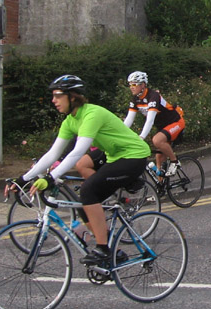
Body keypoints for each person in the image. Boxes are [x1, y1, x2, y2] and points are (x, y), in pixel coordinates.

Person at [11, 75, 151, 265]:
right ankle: (113, 249)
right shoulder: (70, 121)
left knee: (88, 190)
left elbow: (78, 151)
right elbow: (52, 154)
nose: (54, 100)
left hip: (134, 156)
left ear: (73, 96)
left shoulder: (91, 114)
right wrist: (23, 179)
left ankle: (103, 249)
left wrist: (52, 177)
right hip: (114, 155)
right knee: (83, 204)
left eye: (58, 95)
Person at [125, 71, 185, 176]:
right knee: (159, 160)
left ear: (143, 85)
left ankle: (175, 162)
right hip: (163, 127)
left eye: (134, 84)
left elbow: (150, 119)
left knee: (157, 140)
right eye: (130, 84)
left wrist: (142, 137)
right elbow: (129, 120)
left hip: (175, 122)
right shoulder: (135, 99)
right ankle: (161, 189)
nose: (131, 87)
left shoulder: (153, 96)